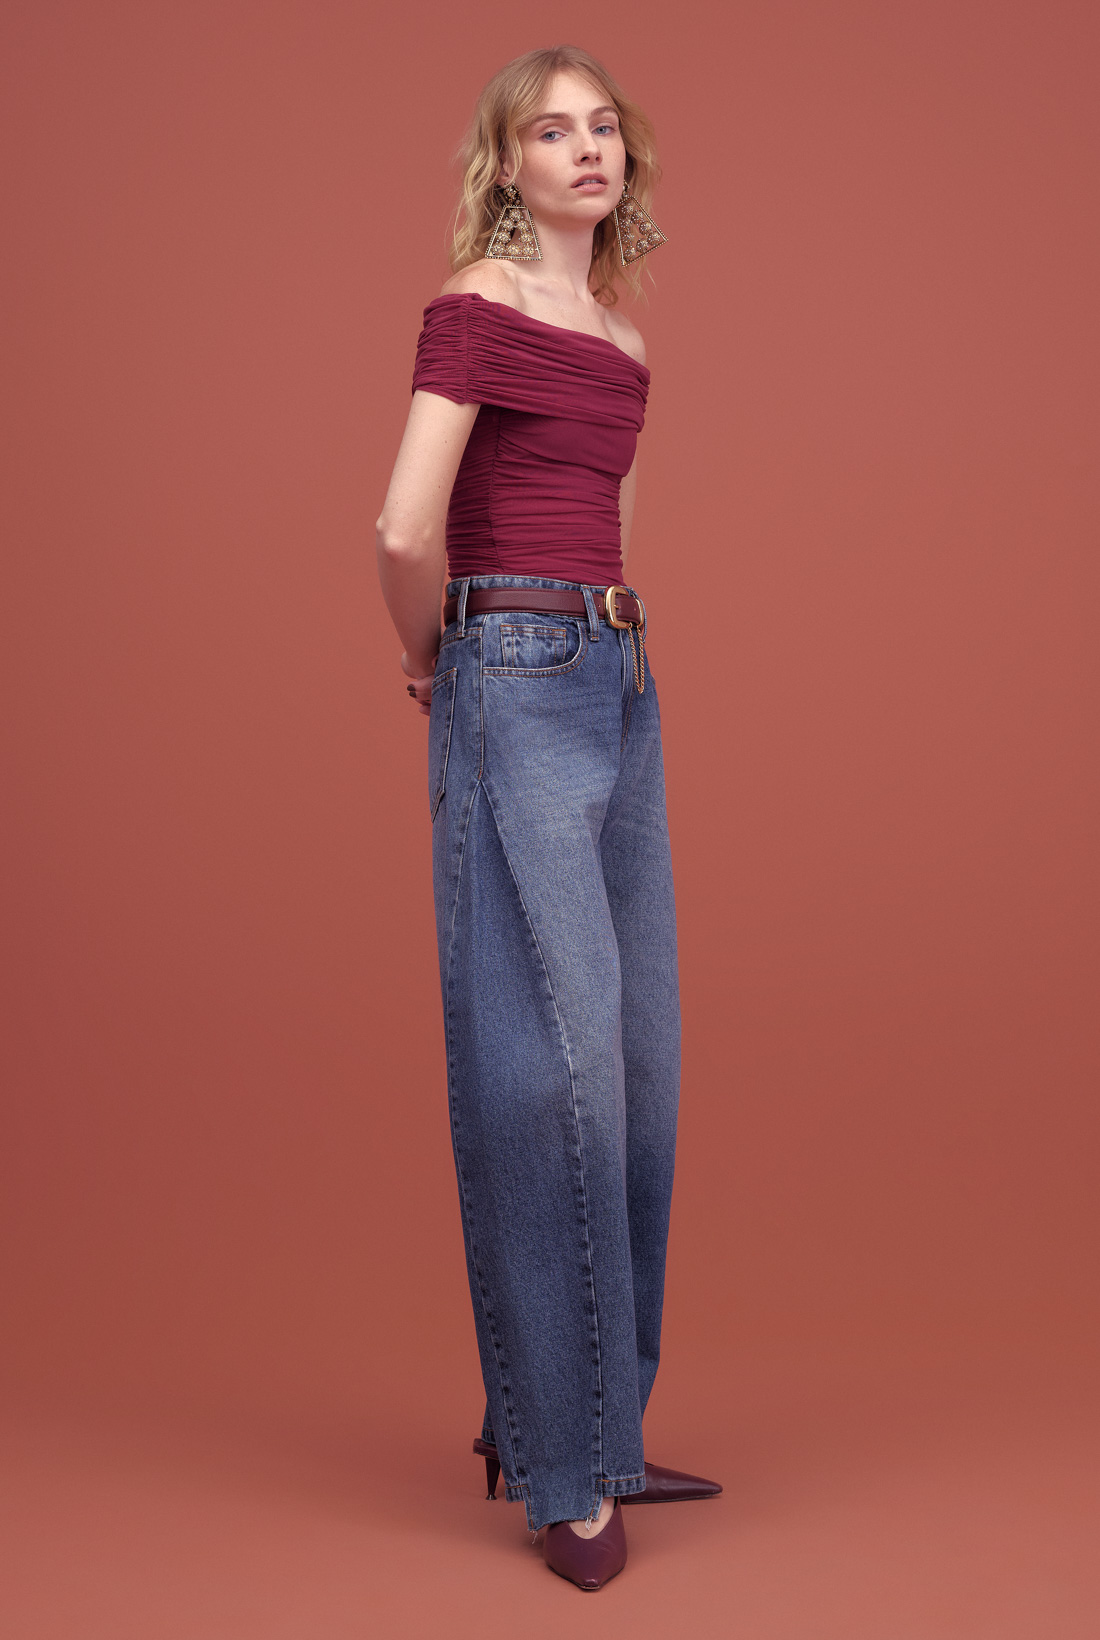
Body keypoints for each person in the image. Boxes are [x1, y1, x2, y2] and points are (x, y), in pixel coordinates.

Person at [375, 44, 720, 1591]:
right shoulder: (480, 302)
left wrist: (605, 651)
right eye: (551, 132)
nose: (587, 150)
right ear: (506, 167)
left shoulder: (623, 339)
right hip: (509, 668)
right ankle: (562, 1470)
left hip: (617, 670)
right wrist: (433, 659)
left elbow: (612, 527)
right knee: (549, 1071)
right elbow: (404, 524)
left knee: (637, 1070)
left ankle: (599, 1424)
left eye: (603, 129)